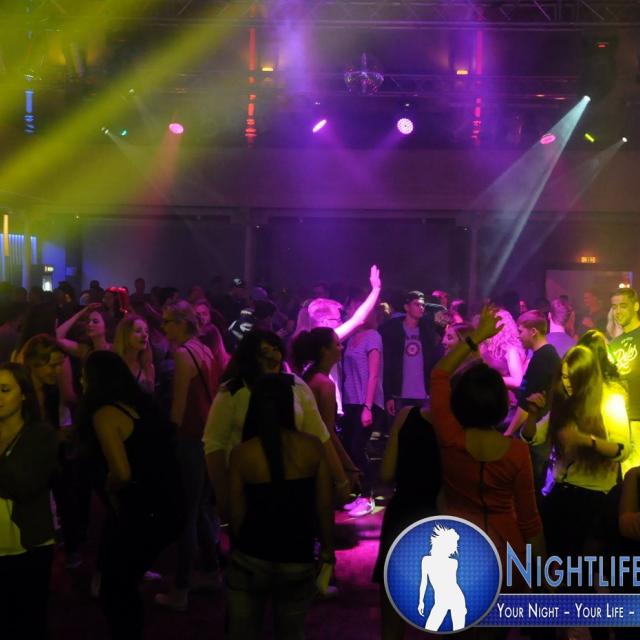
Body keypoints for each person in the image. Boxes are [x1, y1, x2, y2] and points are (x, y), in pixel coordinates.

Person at [430, 306, 545, 577]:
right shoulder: (516, 452)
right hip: (506, 552)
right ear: (502, 404)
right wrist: (541, 575)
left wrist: (477, 336)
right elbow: (529, 521)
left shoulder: (449, 437)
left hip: (458, 549)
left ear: (459, 402)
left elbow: (439, 374)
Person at [78, 351, 183, 639]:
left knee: (116, 589)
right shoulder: (141, 405)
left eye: (84, 376)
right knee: (123, 581)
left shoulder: (104, 414)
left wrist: (108, 485)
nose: (80, 381)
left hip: (142, 510)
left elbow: (122, 473)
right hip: (168, 503)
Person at [226, 375, 334, 640]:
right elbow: (324, 506)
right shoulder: (311, 447)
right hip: (297, 554)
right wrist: (327, 549)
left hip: (252, 555)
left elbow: (236, 514)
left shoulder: (242, 454)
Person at [204, 330, 350, 521]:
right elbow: (214, 445)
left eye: (275, 349)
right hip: (250, 486)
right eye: (264, 351)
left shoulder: (295, 385)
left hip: (296, 481)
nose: (272, 356)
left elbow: (321, 435)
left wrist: (341, 480)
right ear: (251, 356)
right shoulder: (232, 391)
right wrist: (223, 495)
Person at [522, 345, 630, 563]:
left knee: (579, 565)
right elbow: (531, 437)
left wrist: (586, 440)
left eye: (573, 378)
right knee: (546, 555)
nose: (567, 383)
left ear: (587, 378)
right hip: (562, 490)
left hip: (595, 496)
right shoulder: (564, 402)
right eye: (564, 377)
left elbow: (622, 449)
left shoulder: (610, 401)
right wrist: (532, 415)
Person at [155, 300, 221, 611]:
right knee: (201, 509)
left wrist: (167, 439)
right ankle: (211, 571)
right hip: (207, 437)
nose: (163, 327)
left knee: (187, 515)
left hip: (189, 438)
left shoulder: (183, 354)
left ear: (182, 323)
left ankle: (180, 588)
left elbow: (179, 408)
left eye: (168, 321)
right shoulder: (204, 350)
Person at [0, 363, 58, 639]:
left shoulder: (40, 435)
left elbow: (23, 485)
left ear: (24, 394)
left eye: (4, 390)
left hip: (26, 545)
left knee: (26, 622)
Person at [380, 290, 441, 416]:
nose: (421, 308)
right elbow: (388, 364)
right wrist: (388, 395)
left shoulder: (427, 332)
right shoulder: (393, 330)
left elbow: (433, 362)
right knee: (399, 427)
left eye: (423, 305)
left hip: (423, 394)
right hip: (399, 393)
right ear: (406, 307)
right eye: (417, 304)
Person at [610, 288, 640, 473]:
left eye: (623, 306)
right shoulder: (614, 343)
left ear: (636, 306)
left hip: (638, 417)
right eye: (614, 307)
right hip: (621, 420)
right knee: (627, 476)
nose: (618, 311)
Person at [113, 315, 155, 395]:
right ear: (125, 335)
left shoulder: (148, 367)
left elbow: (151, 398)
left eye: (146, 331)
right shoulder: (113, 365)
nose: (145, 335)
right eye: (138, 331)